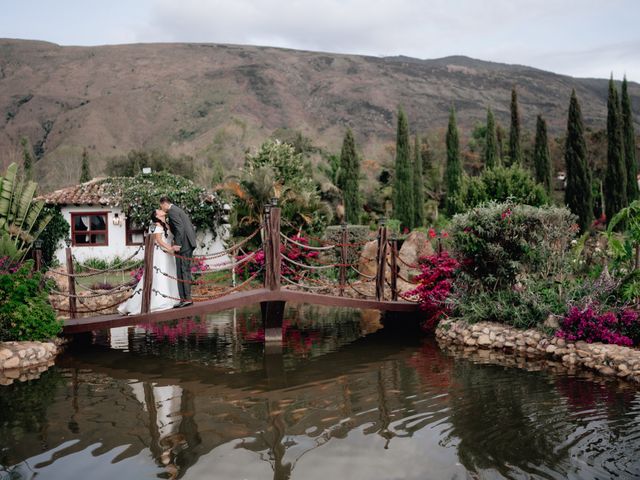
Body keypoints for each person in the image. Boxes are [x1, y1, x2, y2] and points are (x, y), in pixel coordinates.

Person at [118, 210, 180, 315]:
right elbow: (159, 241)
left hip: (168, 254)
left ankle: (172, 298)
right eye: (159, 210)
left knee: (170, 274)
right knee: (160, 275)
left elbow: (169, 237)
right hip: (160, 254)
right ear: (157, 215)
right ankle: (160, 301)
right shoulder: (154, 225)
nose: (161, 210)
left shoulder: (166, 224)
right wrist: (170, 248)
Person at [160, 196, 197, 307]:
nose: (161, 208)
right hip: (188, 243)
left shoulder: (172, 211)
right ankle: (184, 298)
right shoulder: (177, 210)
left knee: (183, 271)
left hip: (183, 245)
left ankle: (187, 299)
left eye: (161, 206)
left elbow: (180, 228)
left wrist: (178, 245)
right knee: (183, 270)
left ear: (164, 203)